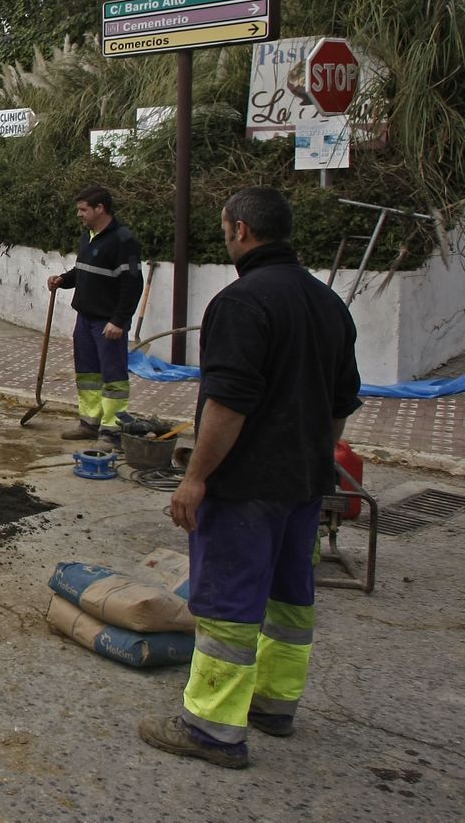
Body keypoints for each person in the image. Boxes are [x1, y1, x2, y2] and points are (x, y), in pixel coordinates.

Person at [138, 187, 361, 769]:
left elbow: (228, 406)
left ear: (240, 230)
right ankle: (273, 705)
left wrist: (196, 478)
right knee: (289, 599)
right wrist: (315, 455)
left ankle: (212, 729)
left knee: (229, 607)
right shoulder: (328, 303)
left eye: (224, 227)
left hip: (247, 486)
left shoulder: (241, 304)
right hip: (306, 482)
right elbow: (341, 402)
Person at [47, 185, 143, 448]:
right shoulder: (89, 237)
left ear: (100, 209)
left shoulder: (123, 241)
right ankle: (90, 422)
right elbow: (83, 271)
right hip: (85, 319)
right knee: (88, 374)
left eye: (83, 209)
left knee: (113, 377)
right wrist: (63, 280)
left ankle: (112, 431)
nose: (79, 214)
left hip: (108, 322)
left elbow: (132, 285)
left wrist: (119, 321)